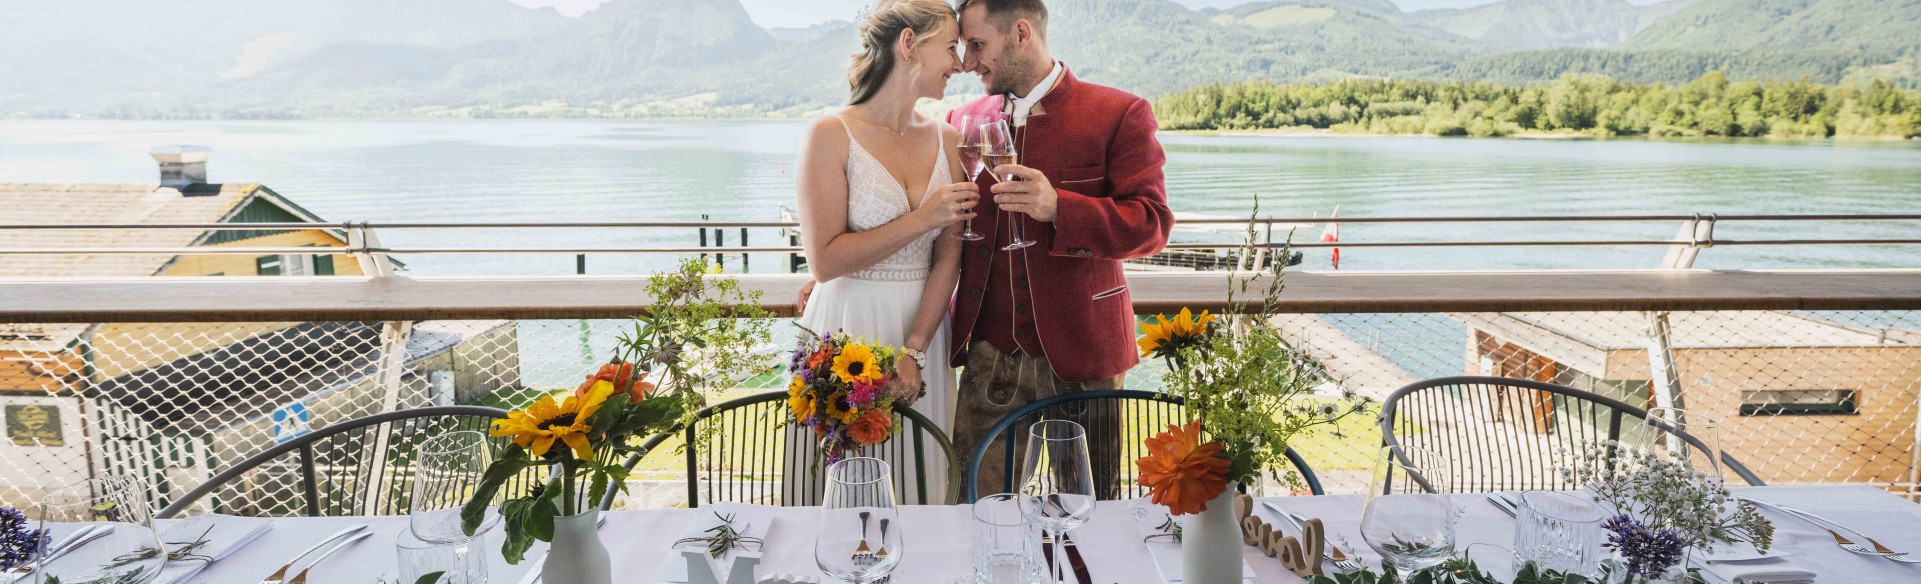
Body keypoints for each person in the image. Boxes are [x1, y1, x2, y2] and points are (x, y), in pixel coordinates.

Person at [944, 0, 1174, 499]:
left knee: (1089, 507)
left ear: (1021, 33)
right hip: (989, 354)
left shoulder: (1118, 113)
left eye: (977, 45)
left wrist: (1058, 208)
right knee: (975, 506)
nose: (967, 62)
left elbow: (1152, 225)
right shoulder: (960, 120)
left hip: (1086, 352)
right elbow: (943, 228)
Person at [788, 0, 977, 503]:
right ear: (908, 44)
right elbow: (824, 261)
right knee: (841, 488)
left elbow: (949, 260)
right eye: (951, 47)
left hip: (923, 332)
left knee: (921, 483)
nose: (960, 64)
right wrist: (922, 218)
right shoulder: (830, 134)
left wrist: (914, 349)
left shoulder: (949, 139)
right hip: (846, 326)